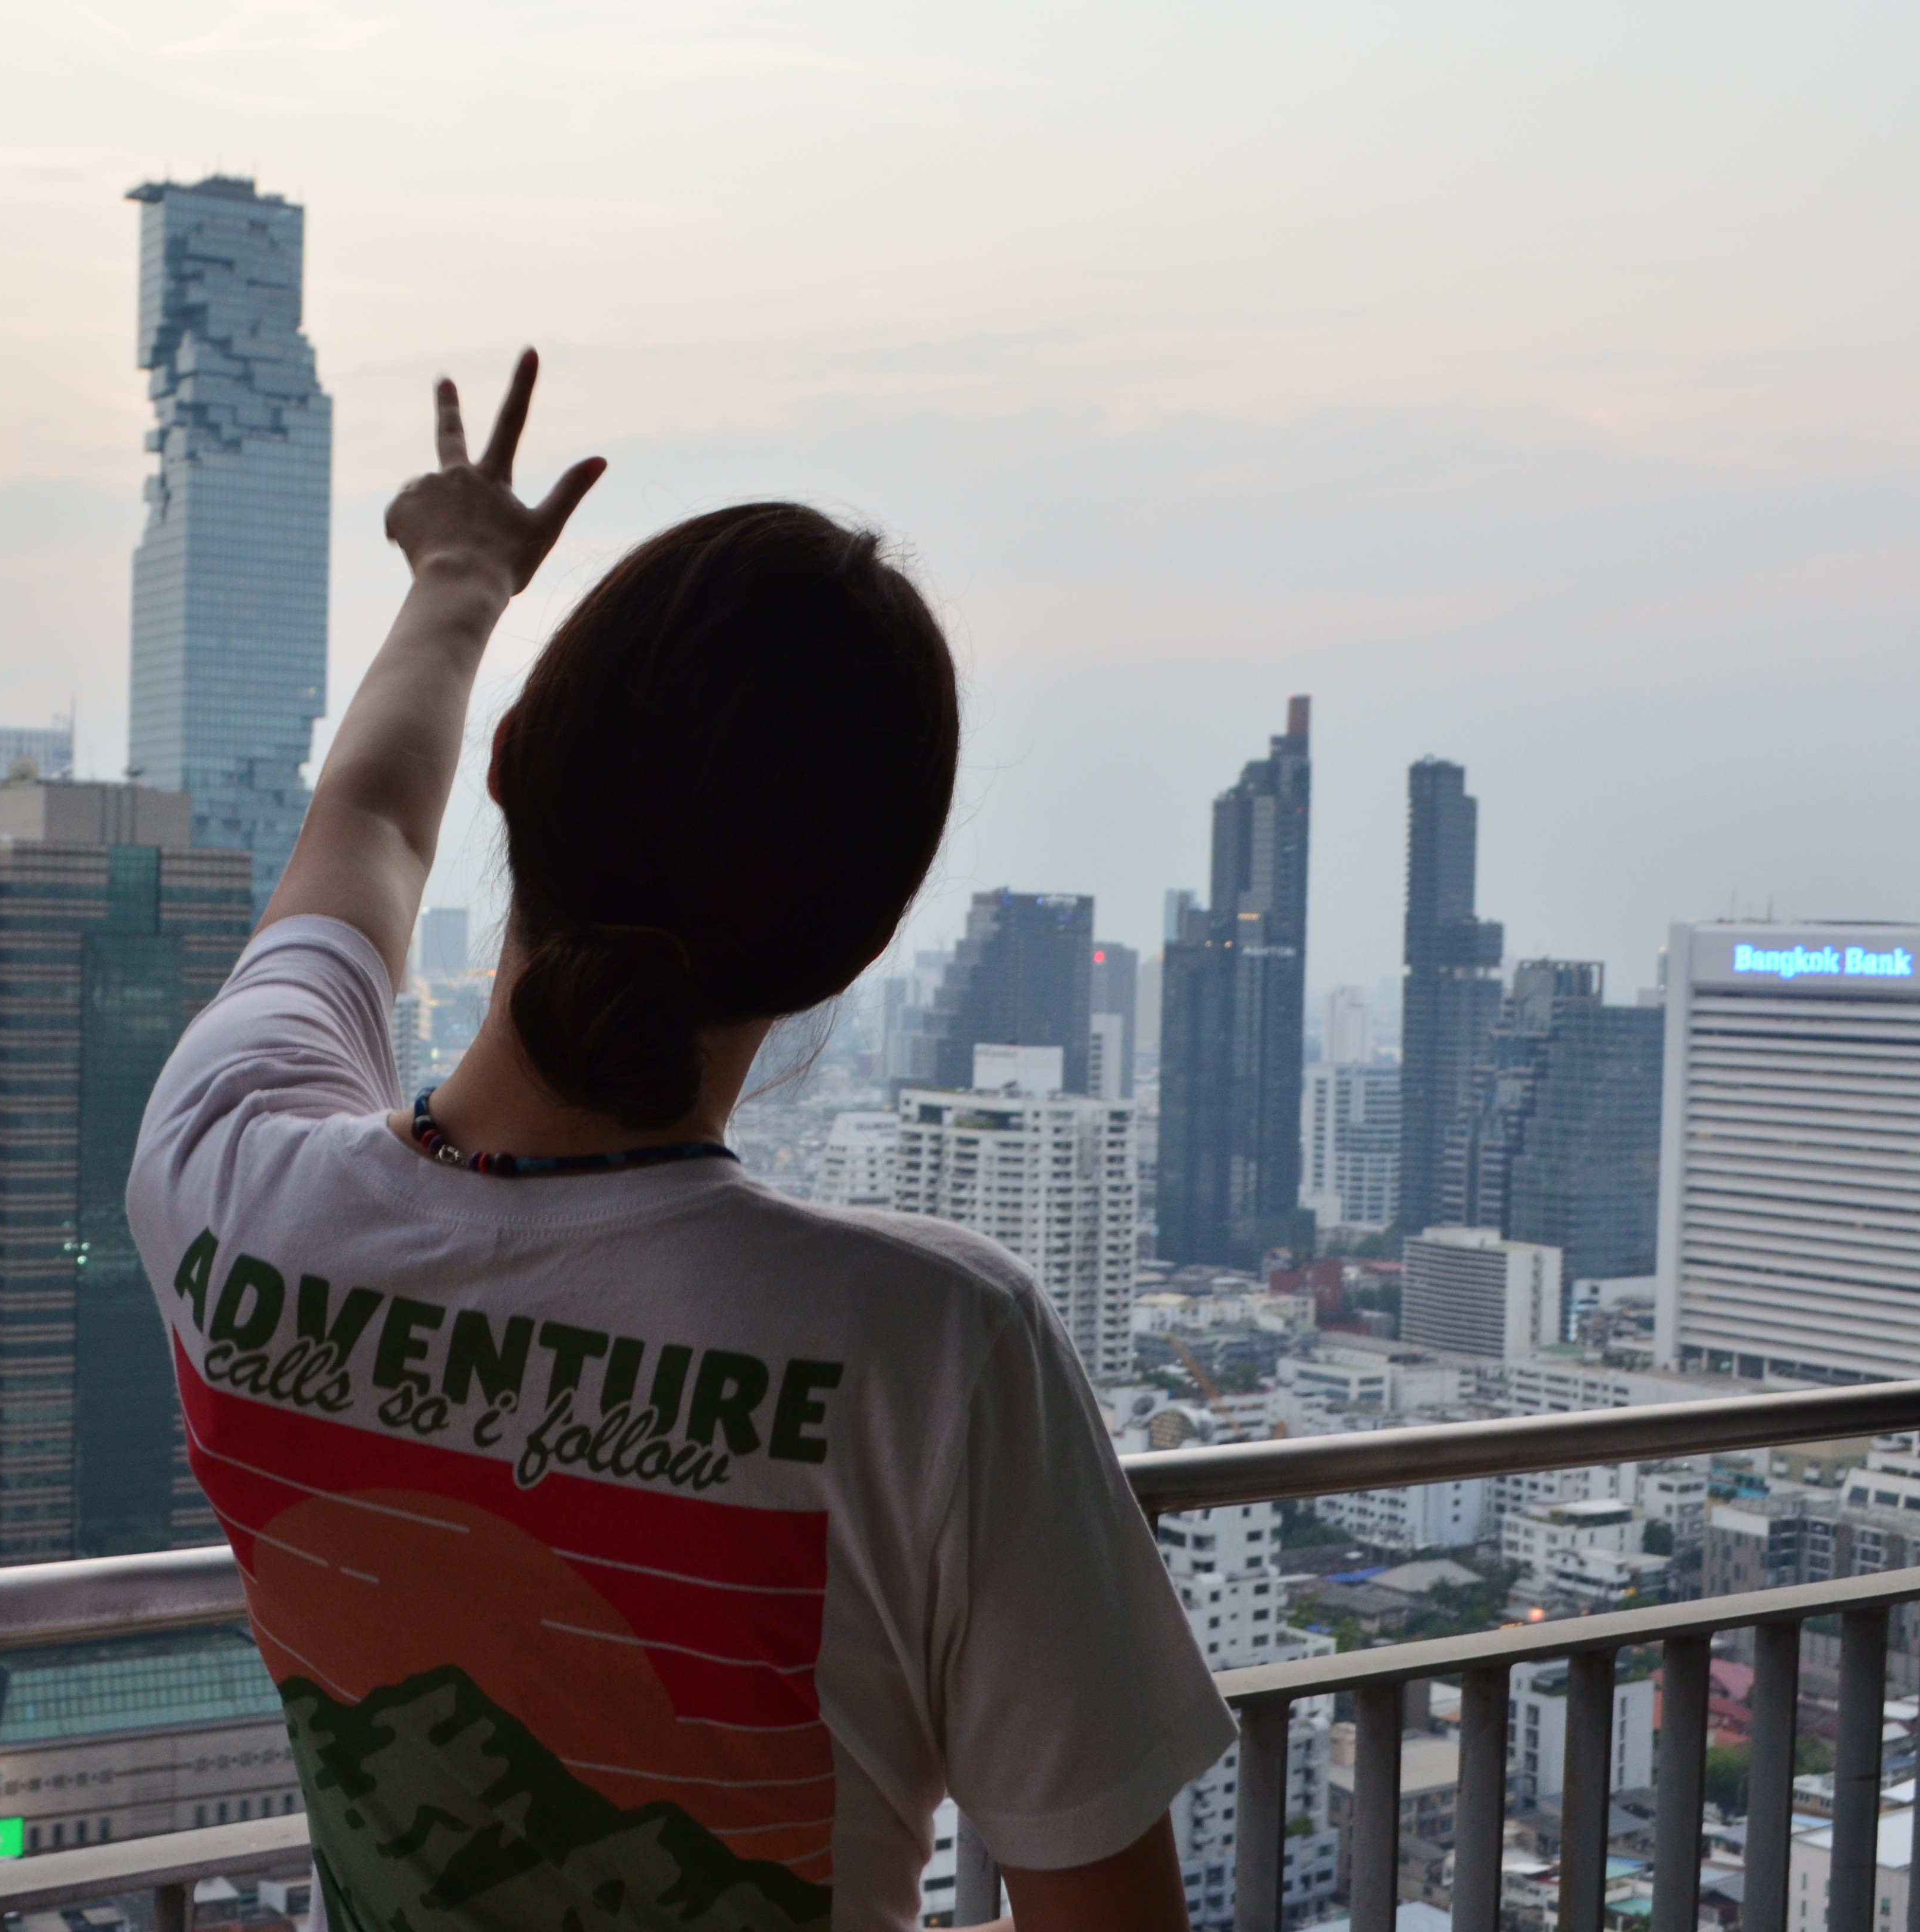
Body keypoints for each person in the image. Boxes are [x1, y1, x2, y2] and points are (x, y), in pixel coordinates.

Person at [129, 352, 1231, 1932]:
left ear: (514, 769)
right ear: (854, 946)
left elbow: (364, 828)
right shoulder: (932, 1353)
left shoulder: (228, 1178)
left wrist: (460, 573)